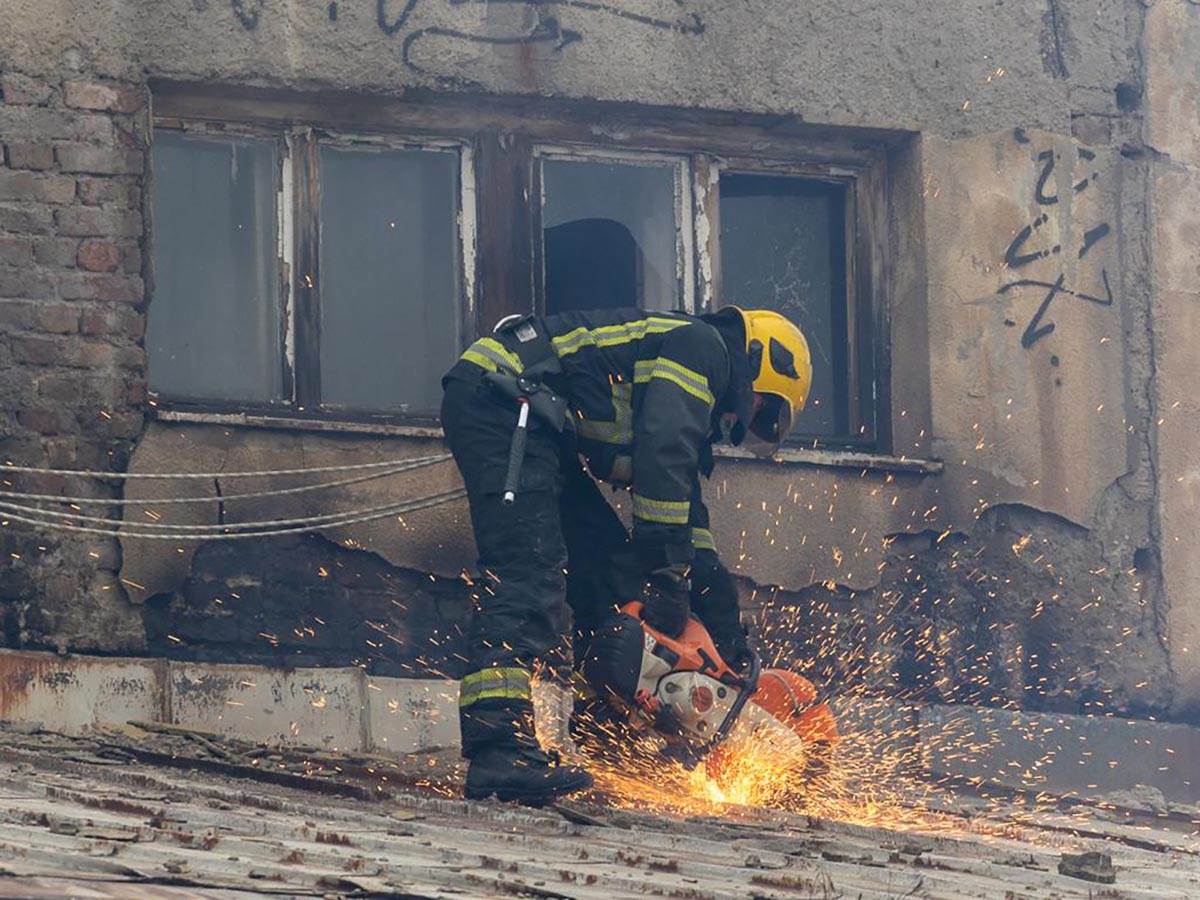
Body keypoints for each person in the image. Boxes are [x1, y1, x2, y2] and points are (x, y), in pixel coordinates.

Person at [440, 306, 812, 803]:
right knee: (527, 571)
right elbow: (662, 461)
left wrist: (723, 628)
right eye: (758, 411)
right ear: (763, 360)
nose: (735, 425)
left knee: (611, 580)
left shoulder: (692, 363)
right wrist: (667, 576)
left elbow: (687, 519)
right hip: (506, 399)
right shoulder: (703, 349)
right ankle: (498, 751)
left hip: (540, 423)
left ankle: (606, 742)